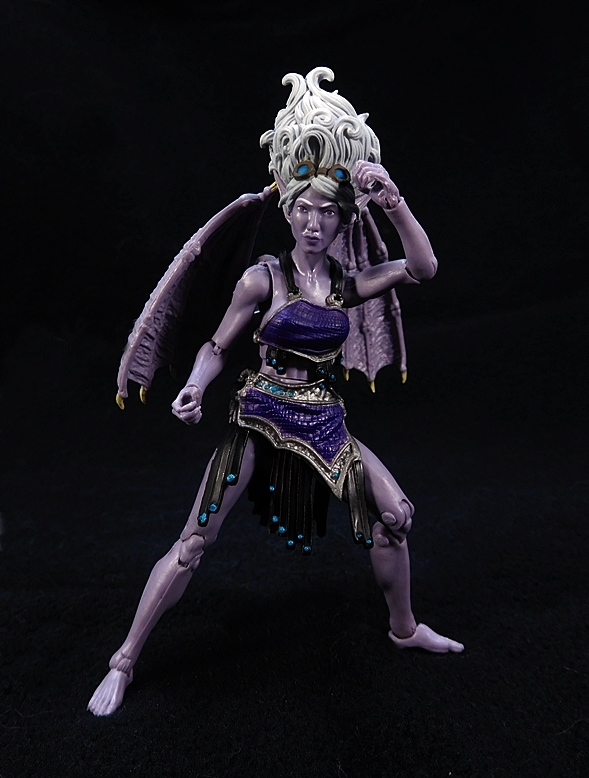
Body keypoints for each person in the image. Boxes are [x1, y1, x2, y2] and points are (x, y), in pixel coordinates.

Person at [88, 68, 463, 717]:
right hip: (258, 421)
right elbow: (215, 346)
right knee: (193, 541)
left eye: (326, 211)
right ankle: (123, 659)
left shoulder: (347, 283)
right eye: (303, 209)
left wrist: (394, 201)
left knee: (396, 517)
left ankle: (403, 630)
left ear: (341, 218)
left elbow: (423, 268)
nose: (313, 223)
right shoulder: (262, 279)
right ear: (287, 210)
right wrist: (195, 386)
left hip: (323, 422)